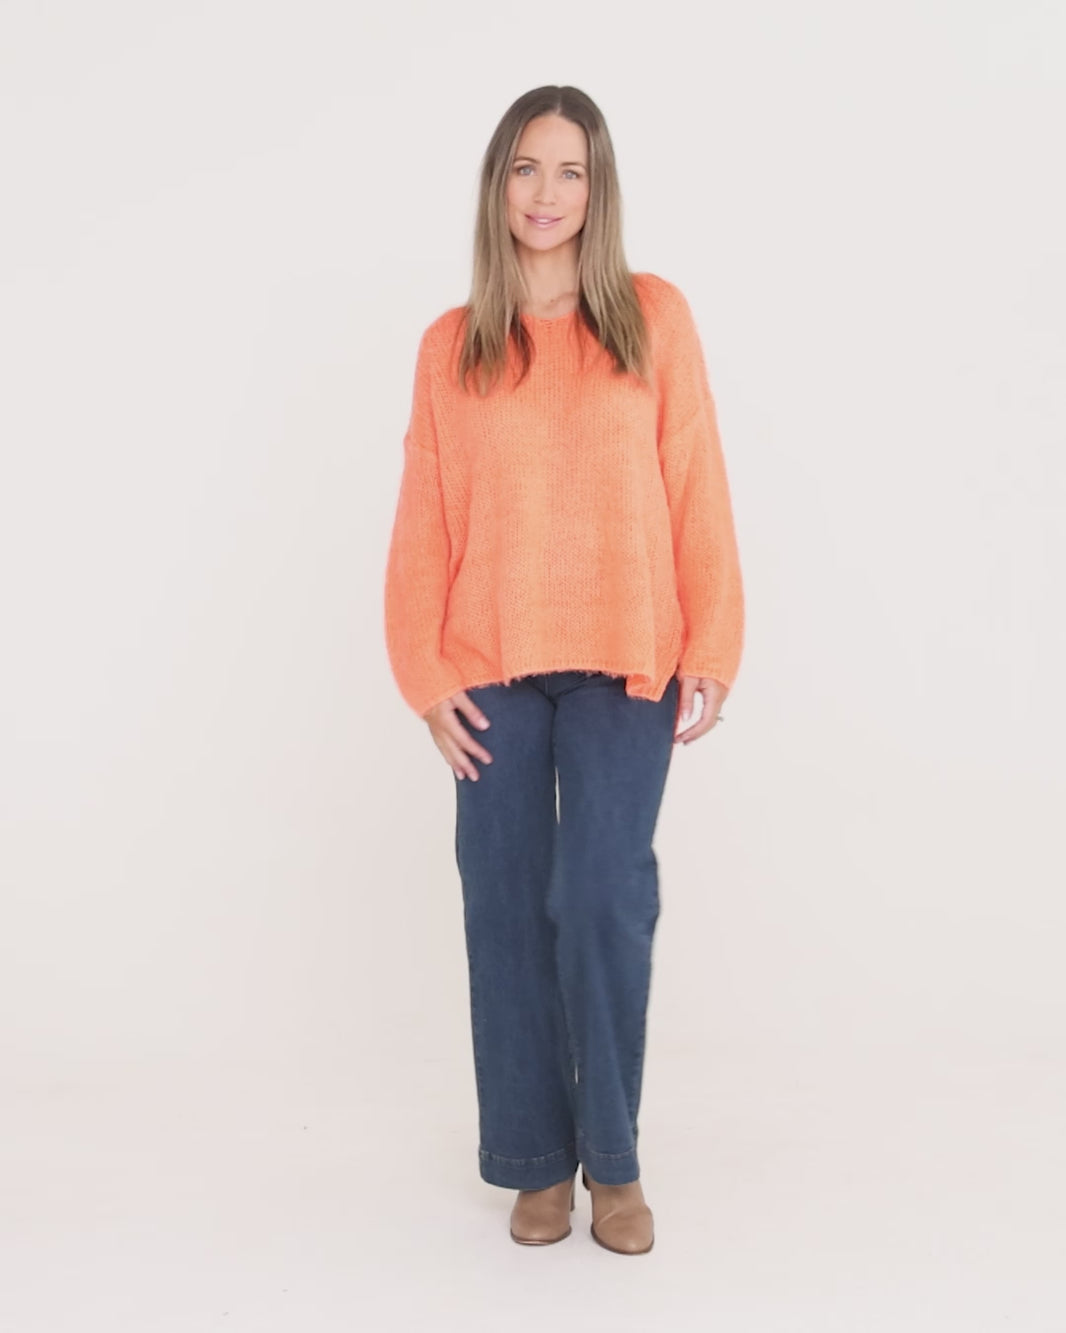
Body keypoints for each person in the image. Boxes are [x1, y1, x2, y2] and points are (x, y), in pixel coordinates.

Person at [383, 85, 744, 1255]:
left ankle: (614, 1160)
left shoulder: (652, 316)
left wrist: (715, 638)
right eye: (526, 168)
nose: (547, 193)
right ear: (499, 185)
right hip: (488, 662)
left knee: (598, 896)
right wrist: (421, 669)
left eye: (571, 170)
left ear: (599, 189)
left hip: (626, 656)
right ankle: (534, 1158)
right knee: (502, 903)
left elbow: (693, 478)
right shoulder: (453, 345)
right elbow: (425, 517)